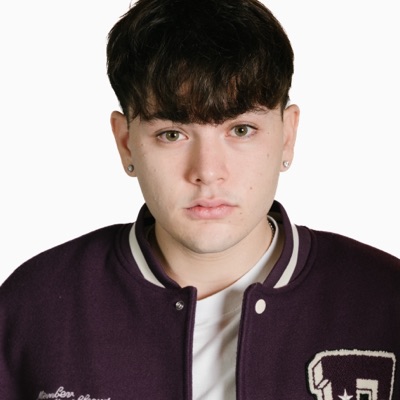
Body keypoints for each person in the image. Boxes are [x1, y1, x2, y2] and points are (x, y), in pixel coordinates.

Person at [1, 0, 399, 398]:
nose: (207, 171)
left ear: (287, 135)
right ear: (126, 143)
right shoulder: (34, 304)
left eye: (241, 130)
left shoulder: (385, 298)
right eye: (172, 134)